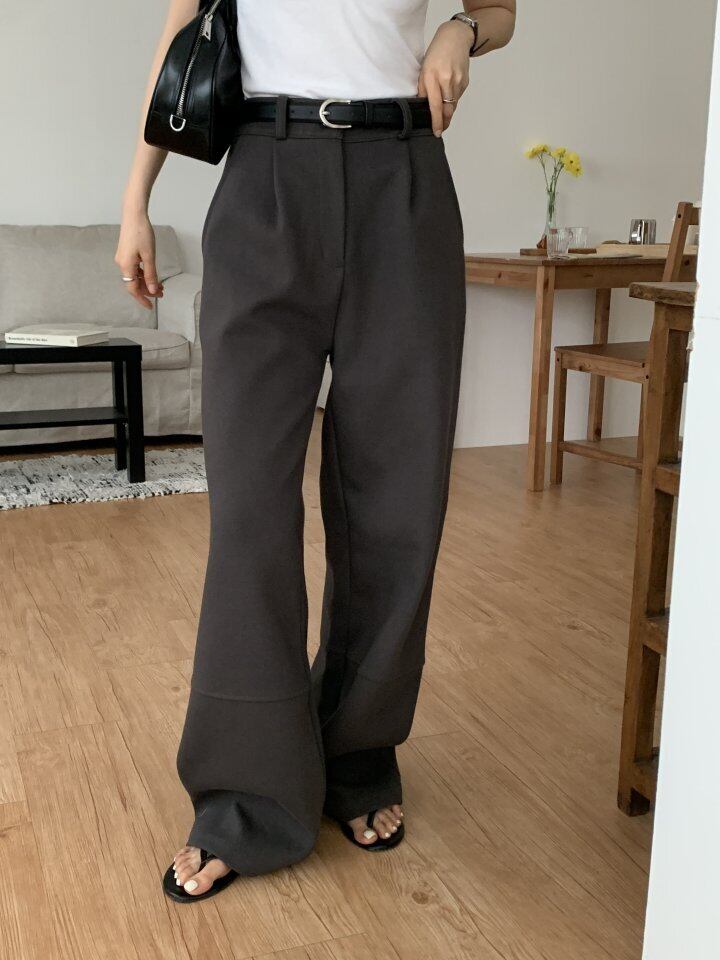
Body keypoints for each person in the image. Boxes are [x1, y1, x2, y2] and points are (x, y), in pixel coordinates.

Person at [116, 0, 516, 902]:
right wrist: (136, 198)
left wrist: (461, 31)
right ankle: (246, 791)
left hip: (404, 182)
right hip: (266, 176)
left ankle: (358, 753)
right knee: (251, 512)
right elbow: (181, 36)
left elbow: (500, 11)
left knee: (396, 503)